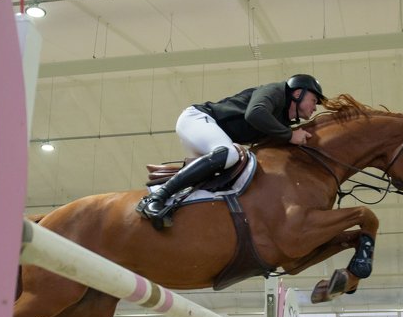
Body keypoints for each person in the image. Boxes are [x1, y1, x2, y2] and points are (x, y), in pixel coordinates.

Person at [136, 74, 327, 224]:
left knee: (226, 178)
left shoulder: (280, 120)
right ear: (297, 93)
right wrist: (290, 135)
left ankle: (177, 207)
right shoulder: (275, 90)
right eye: (314, 100)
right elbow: (255, 113)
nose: (315, 107)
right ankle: (155, 199)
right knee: (230, 153)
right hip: (197, 119)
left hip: (214, 138)